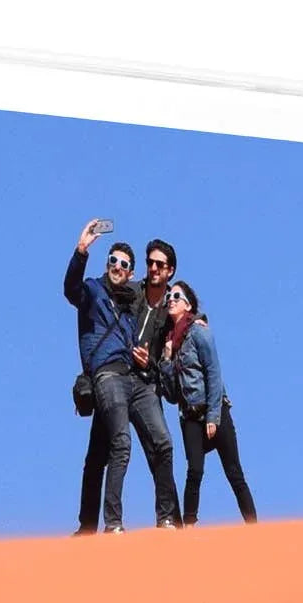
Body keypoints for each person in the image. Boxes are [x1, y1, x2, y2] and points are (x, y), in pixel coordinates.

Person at [64, 221, 178, 532]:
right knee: (120, 445)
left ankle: (166, 519)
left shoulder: (129, 306)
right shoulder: (92, 291)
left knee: (162, 442)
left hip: (134, 379)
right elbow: (71, 289)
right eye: (113, 261)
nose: (117, 266)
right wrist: (81, 250)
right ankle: (112, 524)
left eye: (124, 264)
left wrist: (143, 356)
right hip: (107, 378)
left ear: (130, 274)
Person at [159, 280, 257, 526]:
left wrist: (214, 416)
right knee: (194, 472)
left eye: (177, 296)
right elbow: (171, 396)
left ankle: (254, 526)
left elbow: (214, 374)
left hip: (214, 410)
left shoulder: (200, 332)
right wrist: (167, 359)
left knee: (234, 472)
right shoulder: (170, 342)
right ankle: (189, 526)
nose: (171, 298)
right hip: (190, 415)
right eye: (169, 295)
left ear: (188, 305)